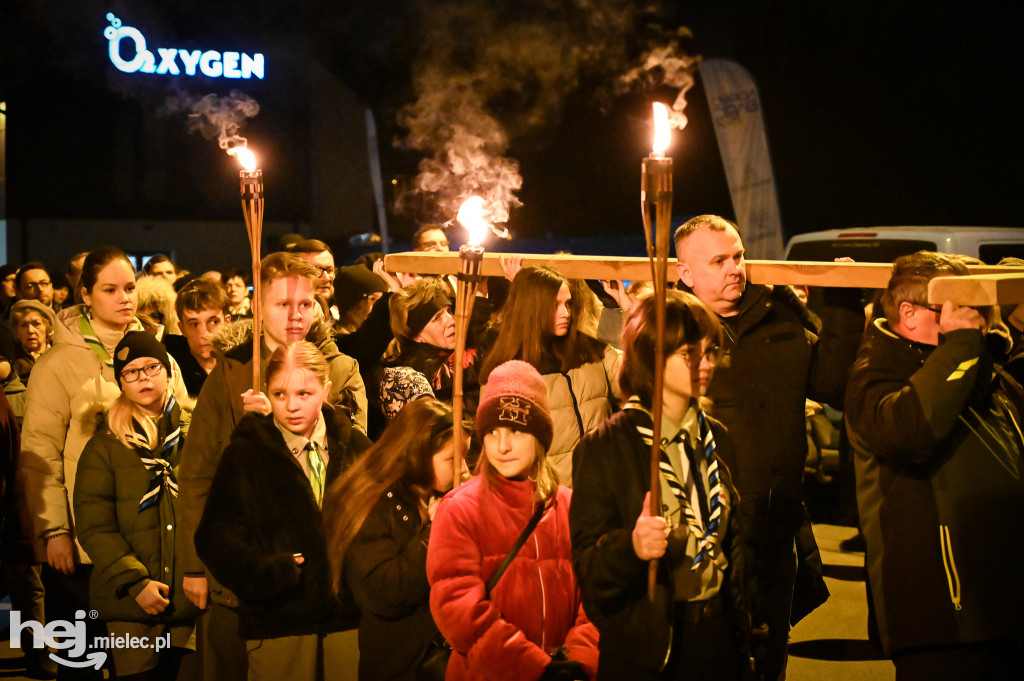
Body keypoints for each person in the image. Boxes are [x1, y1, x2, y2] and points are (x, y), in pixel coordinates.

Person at [674, 215, 863, 678]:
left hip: (776, 530)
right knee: (707, 657)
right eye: (718, 260)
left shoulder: (777, 316)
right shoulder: (672, 333)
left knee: (769, 656)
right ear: (685, 273)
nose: (734, 268)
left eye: (737, 256)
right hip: (701, 538)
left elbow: (832, 385)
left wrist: (840, 304)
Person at [176, 252, 367, 681]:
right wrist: (193, 565)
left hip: (334, 583)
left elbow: (354, 463)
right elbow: (198, 472)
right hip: (258, 574)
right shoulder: (230, 371)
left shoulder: (338, 366)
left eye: (304, 304)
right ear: (260, 307)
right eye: (283, 305)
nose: (296, 316)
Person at [844, 251, 1024, 680]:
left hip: (1000, 607)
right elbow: (908, 432)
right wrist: (962, 346)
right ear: (908, 314)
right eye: (958, 311)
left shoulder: (973, 368)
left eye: (978, 312)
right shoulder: (875, 377)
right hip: (942, 617)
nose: (975, 322)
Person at [18, 246, 188, 676]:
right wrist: (53, 530)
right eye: (110, 289)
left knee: (148, 664)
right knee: (84, 662)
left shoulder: (157, 352)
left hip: (149, 537)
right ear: (86, 295)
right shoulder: (59, 362)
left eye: (129, 287)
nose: (124, 298)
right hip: (82, 539)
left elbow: (182, 424)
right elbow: (40, 453)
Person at [570, 291, 755, 680]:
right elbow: (589, 572)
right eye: (689, 353)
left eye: (711, 351)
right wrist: (632, 548)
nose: (705, 364)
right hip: (652, 652)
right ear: (651, 354)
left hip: (720, 640)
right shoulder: (605, 447)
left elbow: (733, 544)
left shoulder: (714, 438)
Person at [427, 359, 599, 681]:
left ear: (540, 436)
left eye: (517, 430)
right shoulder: (460, 510)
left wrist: (580, 662)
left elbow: (594, 599)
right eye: (492, 432)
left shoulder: (568, 505)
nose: (502, 446)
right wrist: (535, 670)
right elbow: (461, 612)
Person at [73, 331, 201, 680]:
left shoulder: (198, 433)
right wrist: (136, 582)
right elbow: (94, 524)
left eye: (151, 367)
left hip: (191, 596)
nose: (143, 377)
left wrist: (199, 572)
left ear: (168, 371)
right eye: (131, 372)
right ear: (121, 383)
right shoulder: (106, 445)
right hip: (130, 601)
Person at [323, 398, 467, 681]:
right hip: (401, 665)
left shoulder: (443, 496)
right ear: (418, 455)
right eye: (452, 459)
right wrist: (435, 532)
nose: (463, 468)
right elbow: (384, 591)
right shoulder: (372, 505)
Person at [480, 266, 621, 486]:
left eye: (567, 304)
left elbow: (640, 376)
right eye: (555, 305)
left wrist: (621, 305)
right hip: (549, 500)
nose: (566, 313)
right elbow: (500, 451)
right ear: (532, 308)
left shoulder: (591, 352)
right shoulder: (507, 373)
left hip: (606, 489)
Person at [164, 278, 230, 398]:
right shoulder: (170, 373)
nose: (204, 334)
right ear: (182, 328)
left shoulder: (244, 365)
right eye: (194, 324)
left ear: (227, 322)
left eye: (214, 322)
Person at [285, 239, 338, 317]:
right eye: (316, 270)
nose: (326, 278)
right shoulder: (287, 320)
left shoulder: (337, 314)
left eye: (330, 270)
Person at [8, 299, 56, 383]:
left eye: (36, 324)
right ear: (17, 332)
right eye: (23, 325)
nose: (30, 330)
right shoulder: (12, 363)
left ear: (47, 328)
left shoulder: (60, 354)